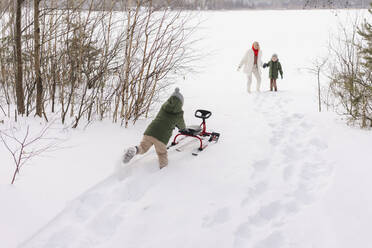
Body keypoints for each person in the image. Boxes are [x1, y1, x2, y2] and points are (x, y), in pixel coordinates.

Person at [122, 88, 186, 169]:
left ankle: (135, 149)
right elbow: (181, 125)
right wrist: (183, 128)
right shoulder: (179, 113)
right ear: (181, 104)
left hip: (150, 131)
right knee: (162, 154)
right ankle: (163, 170)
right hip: (161, 137)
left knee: (143, 147)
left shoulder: (164, 106)